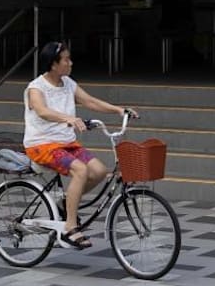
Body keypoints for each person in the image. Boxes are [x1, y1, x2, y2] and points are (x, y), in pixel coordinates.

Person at [23, 41, 136, 250]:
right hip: (42, 145)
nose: (70, 63)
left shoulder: (68, 83)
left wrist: (119, 110)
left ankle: (68, 203)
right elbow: (42, 111)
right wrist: (68, 118)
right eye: (66, 59)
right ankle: (70, 227)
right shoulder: (36, 88)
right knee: (81, 170)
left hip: (66, 143)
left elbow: (90, 101)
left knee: (100, 171)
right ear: (53, 64)